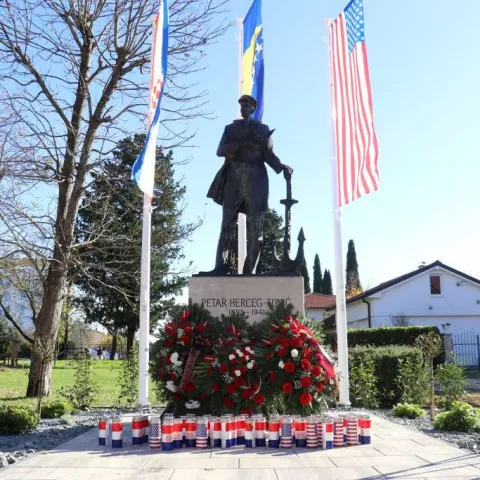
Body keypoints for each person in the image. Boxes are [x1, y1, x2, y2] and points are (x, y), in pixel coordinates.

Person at [205, 95, 292, 274]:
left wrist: (281, 166)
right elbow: (220, 150)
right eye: (242, 104)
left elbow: (269, 155)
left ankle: (248, 271)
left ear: (253, 108)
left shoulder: (263, 129)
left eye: (247, 104)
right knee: (227, 225)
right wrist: (242, 145)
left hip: (256, 179)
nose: (244, 107)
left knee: (256, 228)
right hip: (234, 179)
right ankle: (220, 267)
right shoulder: (230, 129)